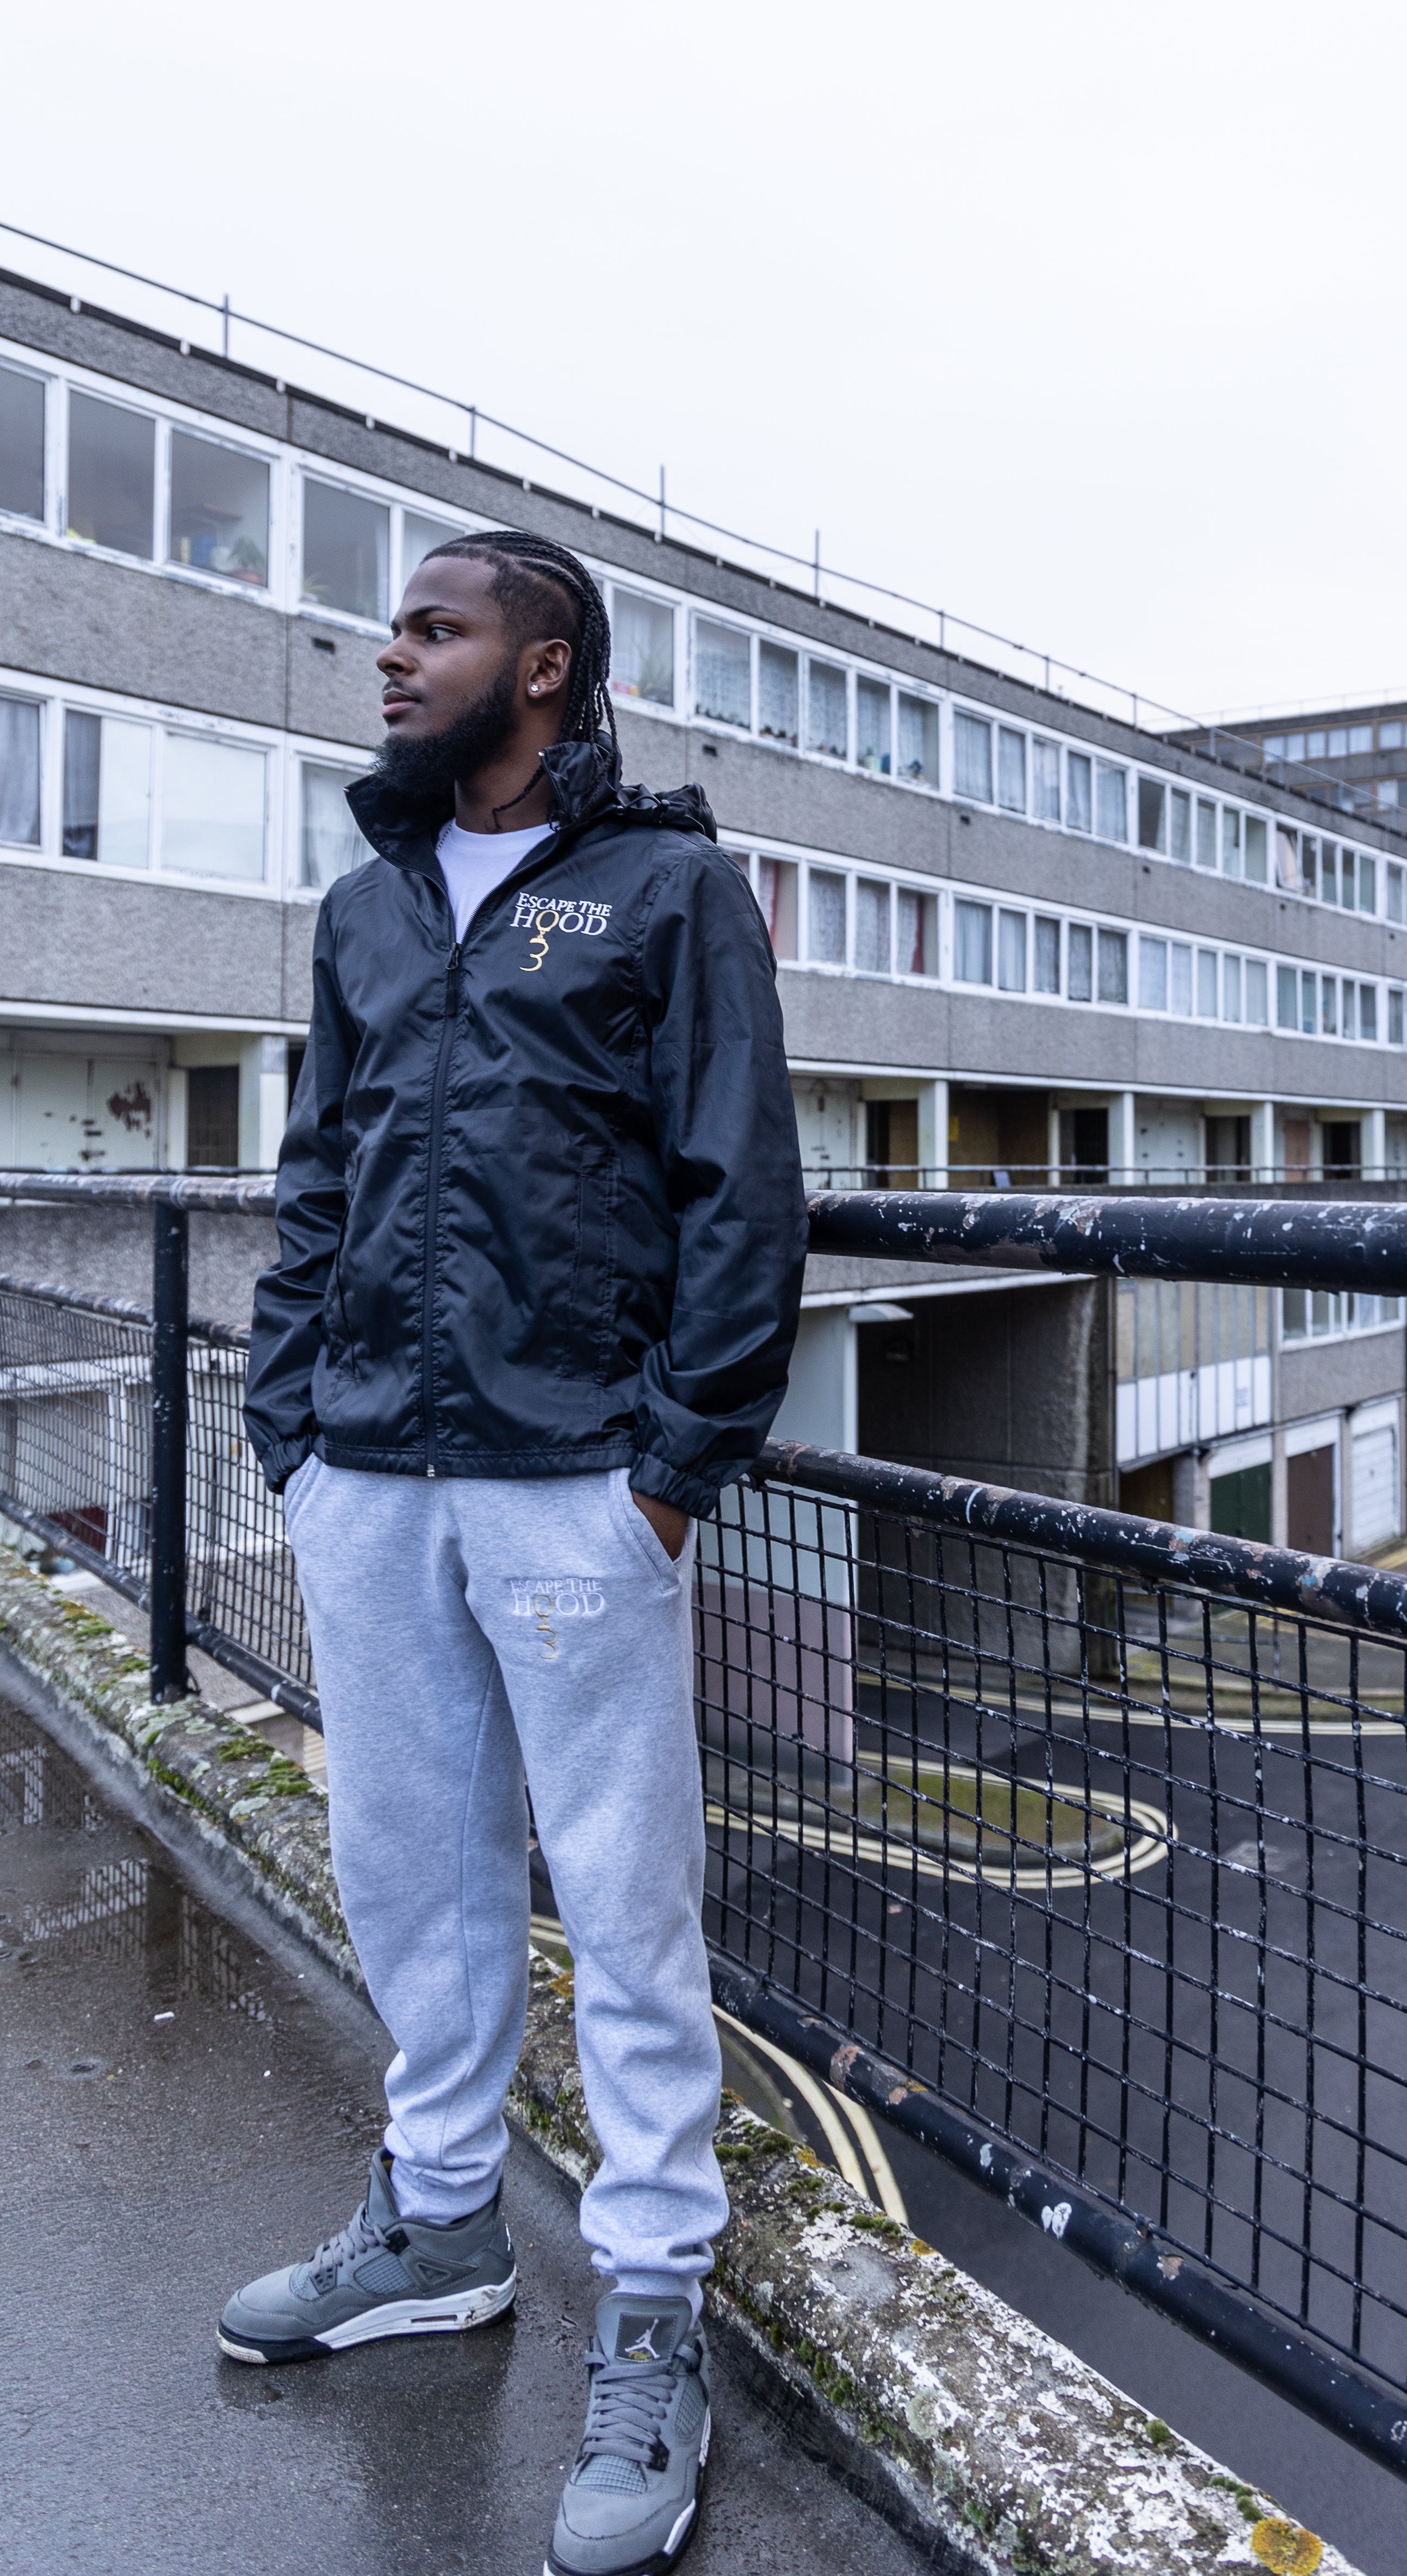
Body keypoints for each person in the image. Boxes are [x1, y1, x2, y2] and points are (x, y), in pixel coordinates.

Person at [230, 529, 807, 2575]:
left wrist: (670, 1469)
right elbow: (322, 1172)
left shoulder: (665, 892)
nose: (392, 656)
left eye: (435, 628)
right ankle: (442, 2221)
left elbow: (742, 1191)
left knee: (629, 1910)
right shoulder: (365, 905)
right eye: (399, 628)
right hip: (371, 1468)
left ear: (544, 668)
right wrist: (285, 1416)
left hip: (579, 1473)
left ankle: (652, 2305)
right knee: (408, 1865)